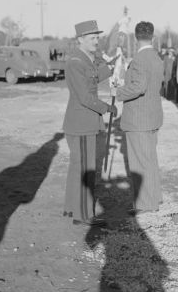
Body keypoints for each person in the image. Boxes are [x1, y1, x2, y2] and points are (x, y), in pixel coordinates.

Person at [63, 20, 117, 227]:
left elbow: (94, 77)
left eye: (97, 37)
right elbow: (86, 96)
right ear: (80, 40)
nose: (97, 41)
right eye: (92, 38)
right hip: (82, 123)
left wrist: (111, 67)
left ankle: (72, 208)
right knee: (85, 169)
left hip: (82, 122)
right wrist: (107, 108)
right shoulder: (76, 62)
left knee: (78, 167)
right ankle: (83, 215)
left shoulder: (85, 59)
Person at [115, 22, 164, 214]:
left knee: (140, 162)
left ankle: (146, 204)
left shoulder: (139, 59)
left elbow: (138, 87)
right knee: (150, 159)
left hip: (139, 119)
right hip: (152, 116)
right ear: (152, 36)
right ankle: (154, 198)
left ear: (136, 37)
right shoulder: (156, 57)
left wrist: (118, 91)